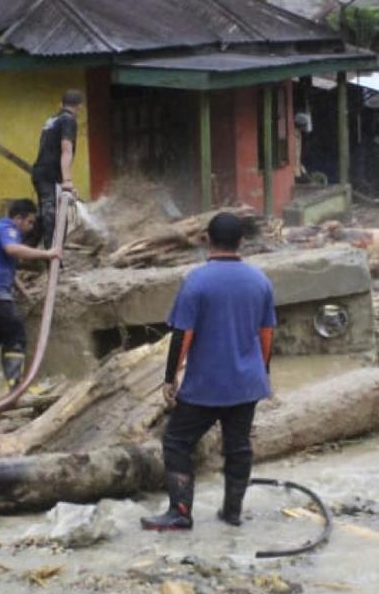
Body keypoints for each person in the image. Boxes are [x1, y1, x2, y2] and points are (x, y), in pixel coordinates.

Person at [141, 212, 275, 531]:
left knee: (176, 441)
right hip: (246, 385)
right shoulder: (260, 280)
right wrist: (263, 372)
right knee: (238, 446)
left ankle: (181, 511)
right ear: (242, 242)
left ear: (206, 241)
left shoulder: (197, 281)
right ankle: (232, 512)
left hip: (206, 385)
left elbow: (183, 334)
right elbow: (266, 333)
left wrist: (170, 378)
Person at [0, 199, 60, 387]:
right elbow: (12, 250)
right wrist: (47, 254)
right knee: (15, 333)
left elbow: (4, 265)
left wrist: (21, 289)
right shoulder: (9, 230)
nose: (32, 227)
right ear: (18, 219)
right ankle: (15, 383)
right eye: (30, 222)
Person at [30, 89, 82, 248]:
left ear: (62, 104)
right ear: (80, 106)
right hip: (50, 175)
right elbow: (66, 149)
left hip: (40, 172)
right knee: (54, 218)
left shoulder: (52, 119)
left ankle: (26, 251)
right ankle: (52, 260)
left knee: (44, 215)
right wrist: (67, 180)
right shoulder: (68, 120)